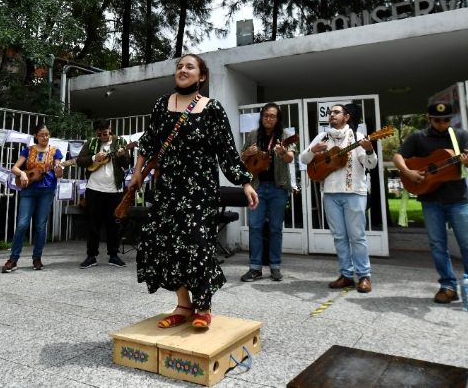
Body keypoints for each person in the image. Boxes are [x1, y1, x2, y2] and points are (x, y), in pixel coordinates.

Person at [128, 53, 257, 330]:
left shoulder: (212, 109)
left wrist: (245, 182)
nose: (182, 70)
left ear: (202, 77)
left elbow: (226, 152)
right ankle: (184, 305)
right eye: (179, 66)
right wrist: (138, 172)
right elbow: (149, 143)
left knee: (197, 244)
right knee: (169, 245)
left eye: (189, 66)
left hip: (200, 191)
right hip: (168, 189)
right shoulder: (163, 105)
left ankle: (204, 306)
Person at [393, 102, 468, 309]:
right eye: (437, 120)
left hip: (457, 199)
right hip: (430, 199)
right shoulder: (418, 137)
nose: (442, 124)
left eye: (446, 120)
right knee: (438, 246)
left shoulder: (460, 136)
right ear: (429, 119)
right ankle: (447, 286)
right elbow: (398, 155)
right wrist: (408, 172)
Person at [300, 104, 377, 292]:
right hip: (330, 194)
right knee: (339, 237)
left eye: (336, 112)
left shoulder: (358, 138)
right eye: (330, 113)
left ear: (347, 117)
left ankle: (364, 276)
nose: (332, 115)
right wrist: (313, 150)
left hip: (354, 193)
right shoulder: (322, 137)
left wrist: (368, 150)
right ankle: (346, 275)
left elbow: (371, 164)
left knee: (357, 236)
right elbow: (303, 159)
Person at [240, 103, 295, 283]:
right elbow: (241, 158)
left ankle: (275, 267)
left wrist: (283, 152)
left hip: (278, 187)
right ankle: (255, 268)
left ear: (278, 119)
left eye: (272, 116)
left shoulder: (286, 136)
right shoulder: (253, 135)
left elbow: (290, 158)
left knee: (275, 228)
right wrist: (247, 152)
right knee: (255, 226)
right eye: (265, 115)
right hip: (257, 187)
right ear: (261, 117)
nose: (268, 119)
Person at [4, 123, 63, 273]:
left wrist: (59, 169)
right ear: (36, 136)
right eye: (42, 134)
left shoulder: (56, 152)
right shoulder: (28, 150)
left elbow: (59, 174)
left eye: (47, 134)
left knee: (40, 225)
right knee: (22, 224)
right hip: (28, 191)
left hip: (46, 191)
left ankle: (37, 258)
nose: (45, 137)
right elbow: (15, 168)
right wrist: (22, 173)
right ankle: (13, 259)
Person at [76, 119, 131, 269]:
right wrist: (94, 158)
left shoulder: (120, 141)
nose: (103, 137)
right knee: (93, 223)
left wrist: (122, 155)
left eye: (105, 133)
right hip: (94, 188)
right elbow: (80, 161)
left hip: (115, 190)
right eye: (99, 134)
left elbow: (127, 163)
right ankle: (91, 256)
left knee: (113, 224)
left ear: (110, 129)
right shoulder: (92, 143)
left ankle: (113, 255)